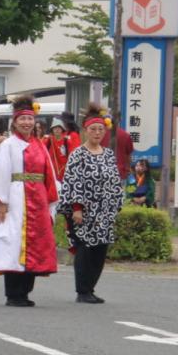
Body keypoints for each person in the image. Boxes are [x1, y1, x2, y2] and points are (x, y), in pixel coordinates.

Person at [0, 95, 59, 306]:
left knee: (35, 243)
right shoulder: (8, 145)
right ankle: (13, 292)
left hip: (38, 197)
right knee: (13, 242)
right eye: (22, 119)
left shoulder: (40, 145)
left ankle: (25, 290)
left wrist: (51, 199)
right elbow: (0, 173)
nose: (26, 123)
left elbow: (49, 173)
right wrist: (2, 201)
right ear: (14, 122)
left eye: (30, 119)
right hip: (16, 197)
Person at [57, 105, 125, 304]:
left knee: (100, 250)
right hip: (85, 212)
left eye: (100, 129)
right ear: (85, 131)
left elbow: (114, 180)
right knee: (85, 250)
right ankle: (82, 290)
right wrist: (76, 208)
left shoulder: (108, 154)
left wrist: (116, 204)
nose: (97, 133)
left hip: (104, 211)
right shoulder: (78, 154)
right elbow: (73, 181)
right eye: (93, 129)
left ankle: (91, 288)